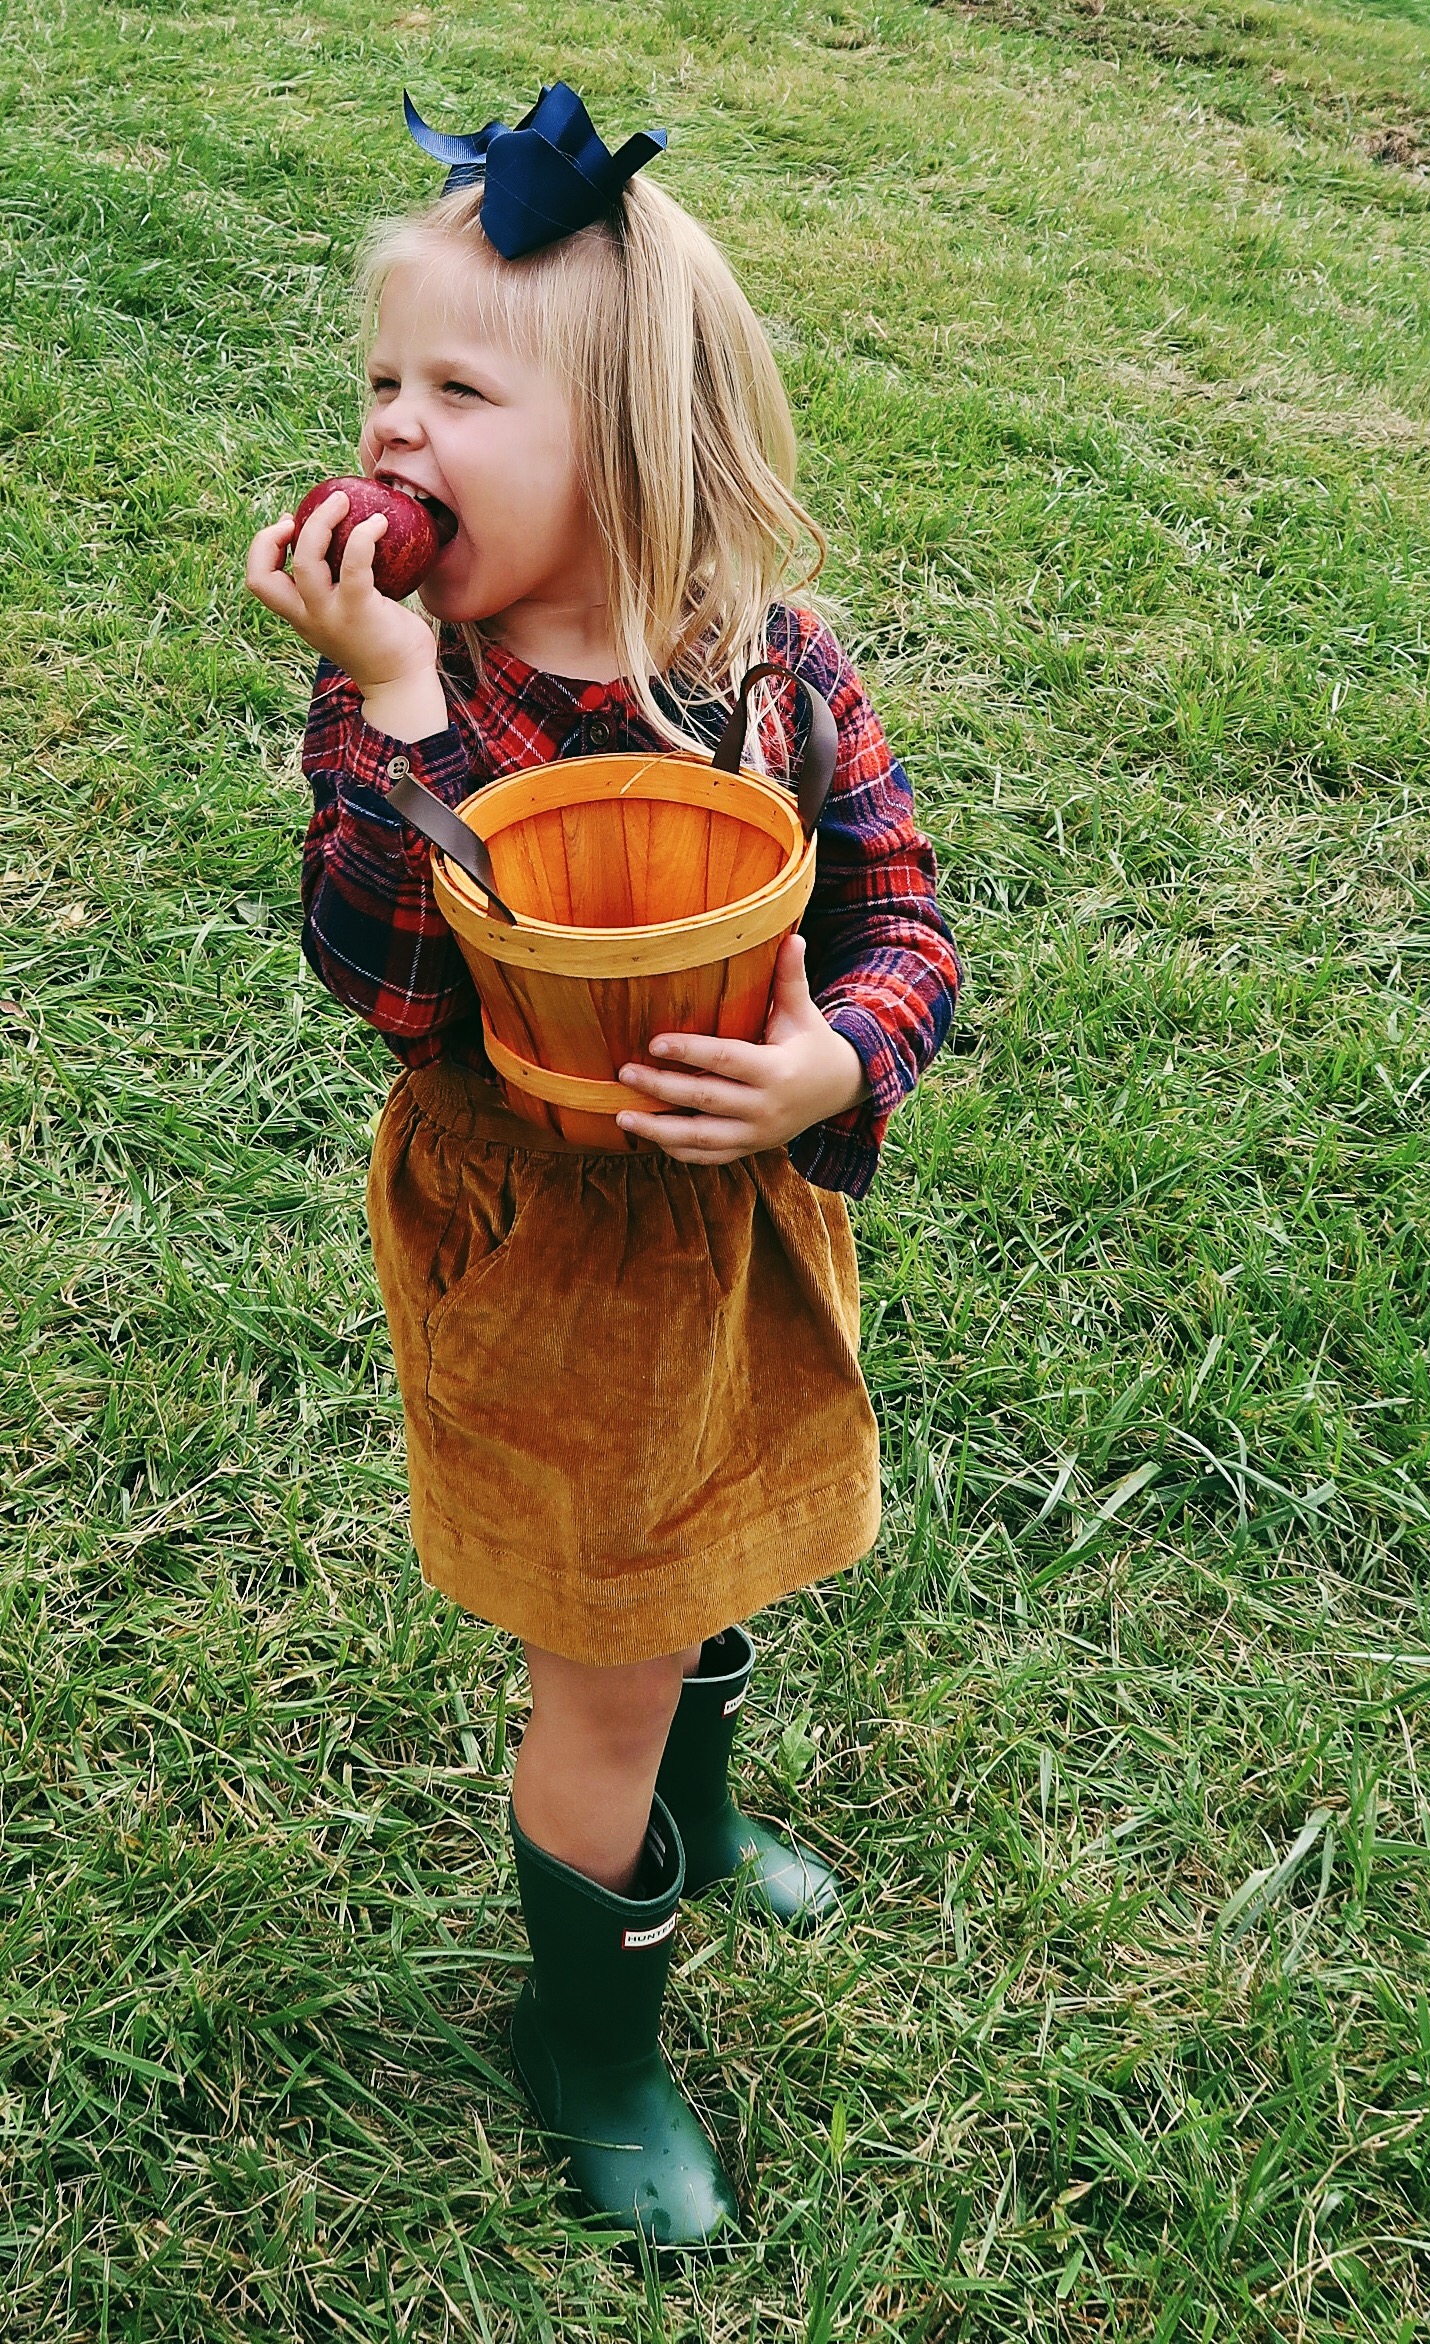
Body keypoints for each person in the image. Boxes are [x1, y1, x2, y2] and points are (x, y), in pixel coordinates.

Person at [243, 84, 958, 2250]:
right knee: (608, 1638)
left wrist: (831, 1058)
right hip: (541, 1236)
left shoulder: (770, 673)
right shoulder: (420, 684)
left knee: (715, 1544)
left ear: (634, 442)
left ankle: (698, 1810)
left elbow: (906, 919)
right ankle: (595, 2038)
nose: (392, 426)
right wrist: (388, 718)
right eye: (382, 379)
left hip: (745, 1214)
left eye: (460, 386)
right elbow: (385, 982)